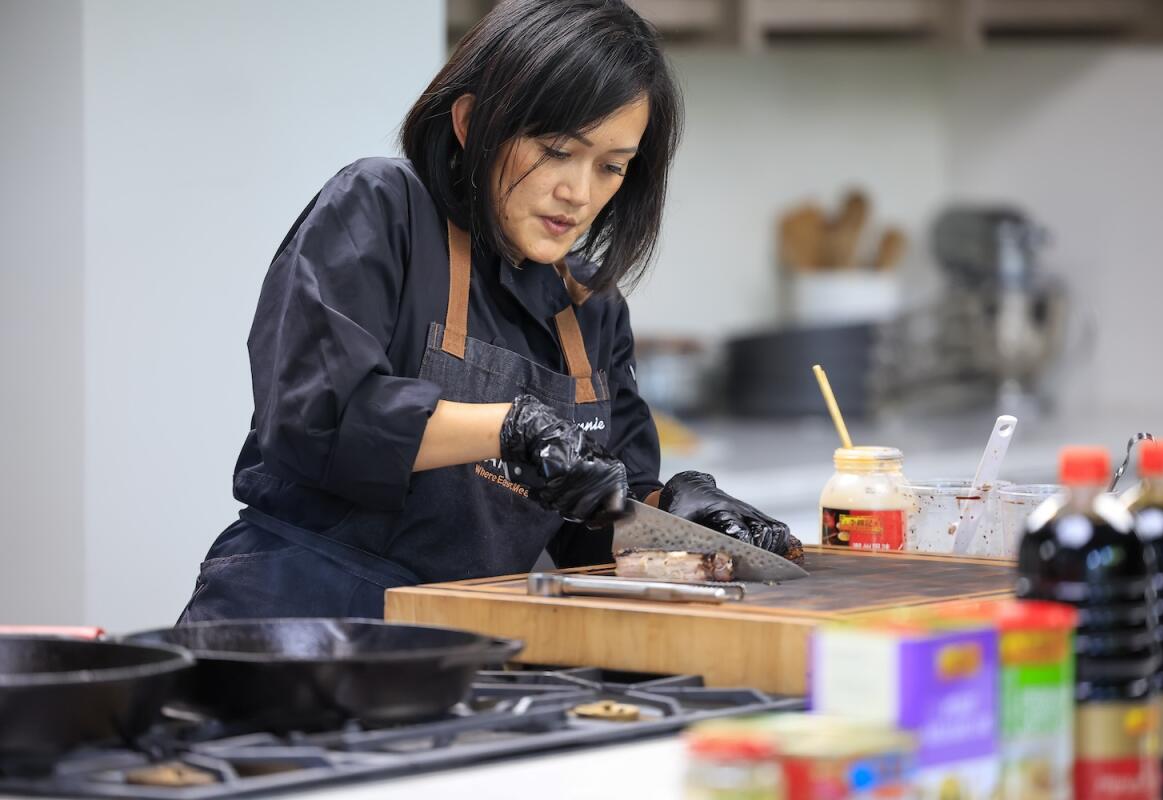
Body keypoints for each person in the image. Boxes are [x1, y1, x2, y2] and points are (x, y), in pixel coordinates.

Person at [179, 0, 792, 622]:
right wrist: (510, 428)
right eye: (556, 150)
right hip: (293, 618)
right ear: (473, 122)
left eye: (611, 168)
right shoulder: (383, 209)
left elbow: (590, 528)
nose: (579, 193)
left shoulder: (592, 311)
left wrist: (673, 509)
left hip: (465, 644)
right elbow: (314, 420)